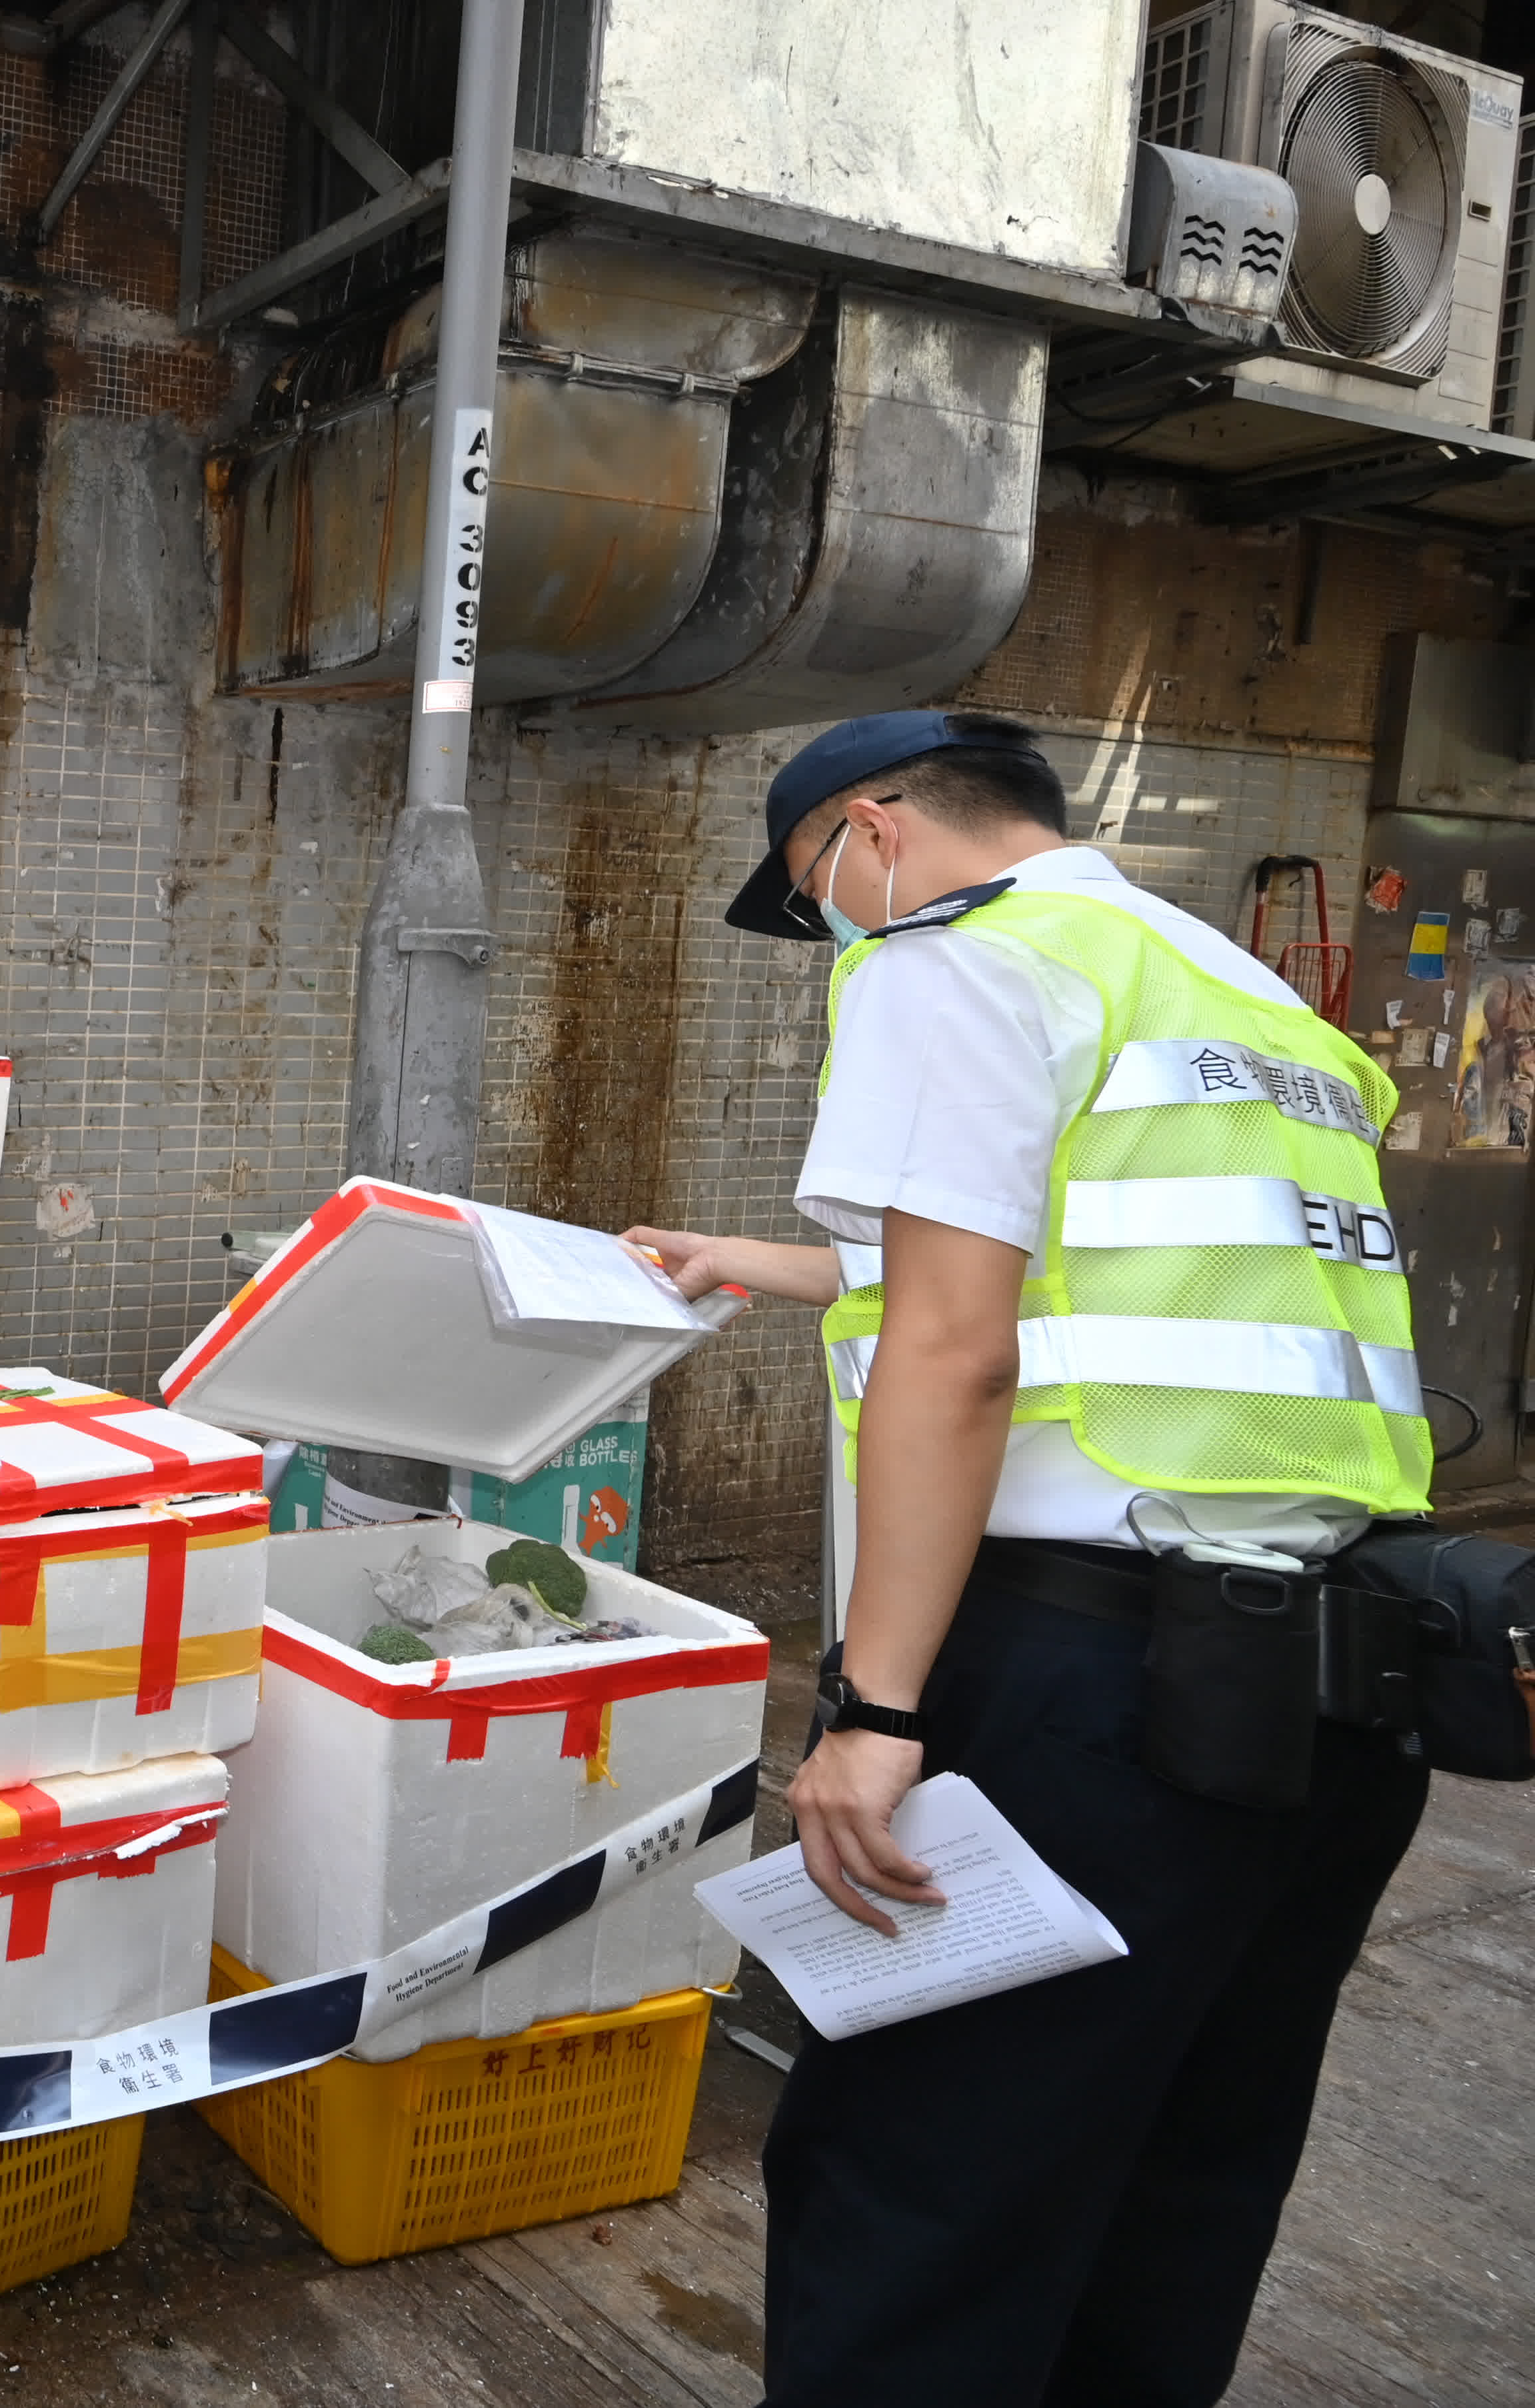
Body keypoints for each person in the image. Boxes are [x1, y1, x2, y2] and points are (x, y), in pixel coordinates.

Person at [627, 710, 1433, 2408]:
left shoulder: (953, 958)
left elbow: (958, 1349)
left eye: (816, 887)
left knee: (920, 2187)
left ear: (879, 831)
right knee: (1177, 2175)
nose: (836, 927)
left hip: (1102, 1688)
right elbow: (1119, 1283)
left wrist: (873, 1703)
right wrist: (749, 1261)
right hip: (1340, 1687)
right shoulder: (1234, 993)